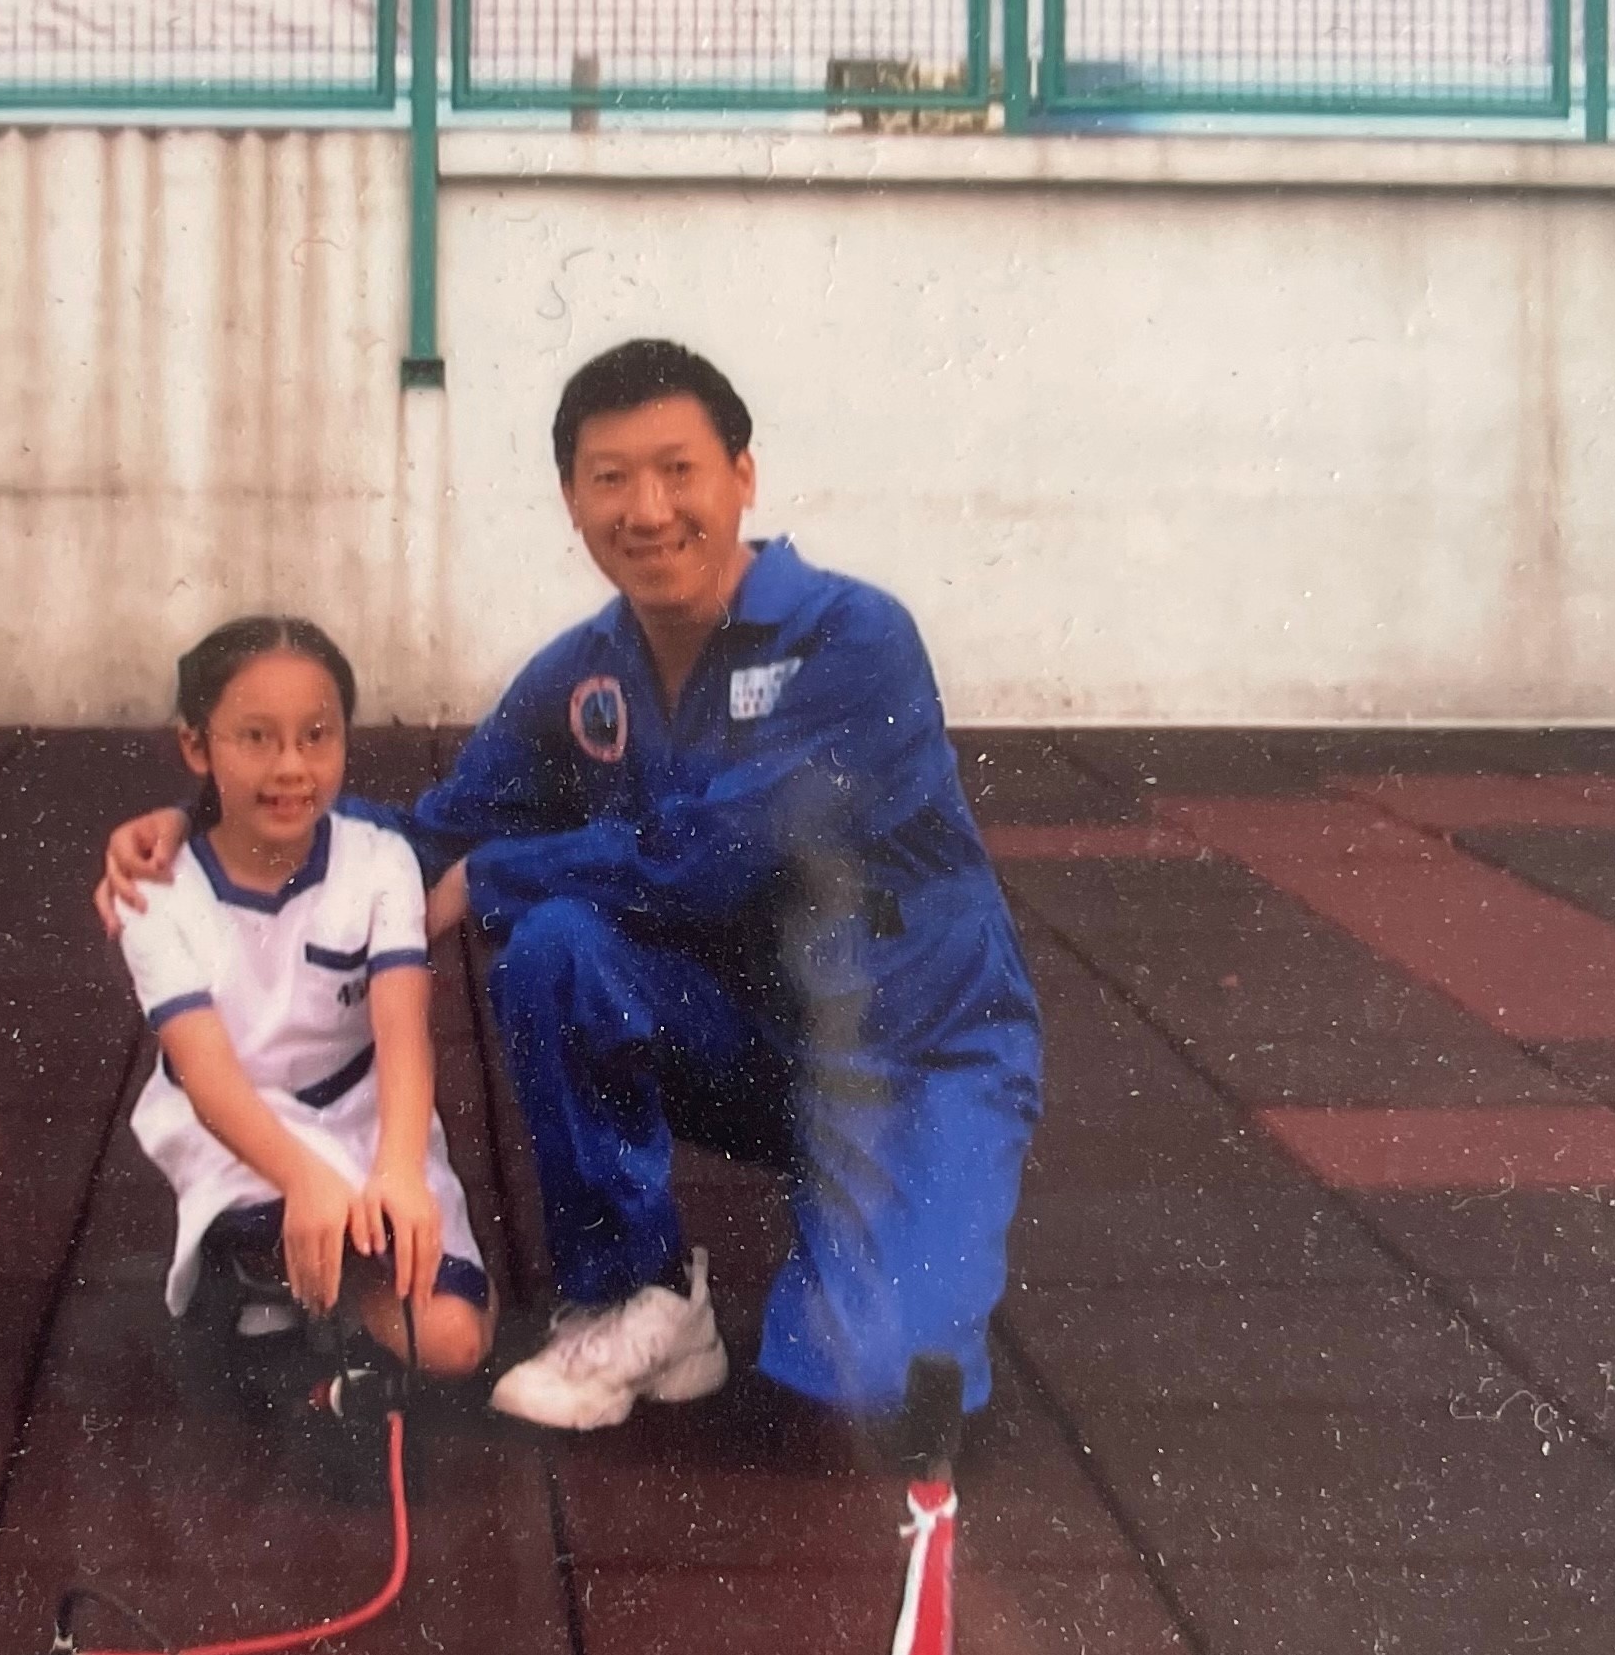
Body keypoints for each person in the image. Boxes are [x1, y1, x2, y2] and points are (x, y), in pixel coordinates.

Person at [98, 343, 1039, 1433]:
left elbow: (730, 846)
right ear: (570, 498)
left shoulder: (854, 637)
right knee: (557, 945)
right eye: (610, 478)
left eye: (679, 469)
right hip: (737, 1038)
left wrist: (495, 873)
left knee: (874, 1388)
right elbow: (430, 831)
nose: (647, 509)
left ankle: (879, 1228)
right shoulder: (584, 670)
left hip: (904, 1053)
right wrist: (207, 816)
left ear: (743, 473)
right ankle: (634, 1294)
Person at [111, 614, 493, 1380]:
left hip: (360, 1113)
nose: (291, 765)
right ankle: (266, 1260)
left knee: (453, 1341)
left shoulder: (379, 861)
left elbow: (402, 1030)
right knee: (290, 1214)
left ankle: (311, 1290)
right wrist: (305, 1178)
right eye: (256, 737)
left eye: (317, 735)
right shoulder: (156, 895)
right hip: (242, 1124)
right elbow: (209, 1078)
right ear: (197, 745)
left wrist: (394, 1171)